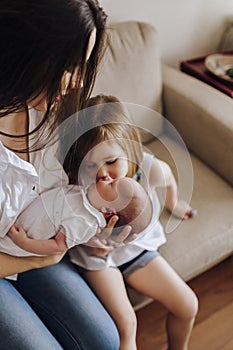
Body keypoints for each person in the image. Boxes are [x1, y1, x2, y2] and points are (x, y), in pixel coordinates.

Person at [0, 2, 126, 349]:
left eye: (84, 68)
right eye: (70, 67)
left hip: (39, 249)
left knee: (105, 339)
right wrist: (45, 256)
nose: (78, 83)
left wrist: (93, 221)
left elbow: (109, 155)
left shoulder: (50, 109)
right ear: (28, 49)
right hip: (18, 258)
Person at [63, 94, 199, 350]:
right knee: (126, 326)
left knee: (188, 305)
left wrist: (174, 203)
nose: (102, 174)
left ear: (130, 150)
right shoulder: (78, 183)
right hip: (98, 260)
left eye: (111, 162)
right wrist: (91, 242)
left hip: (138, 250)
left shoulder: (148, 169)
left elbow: (169, 177)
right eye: (91, 165)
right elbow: (66, 224)